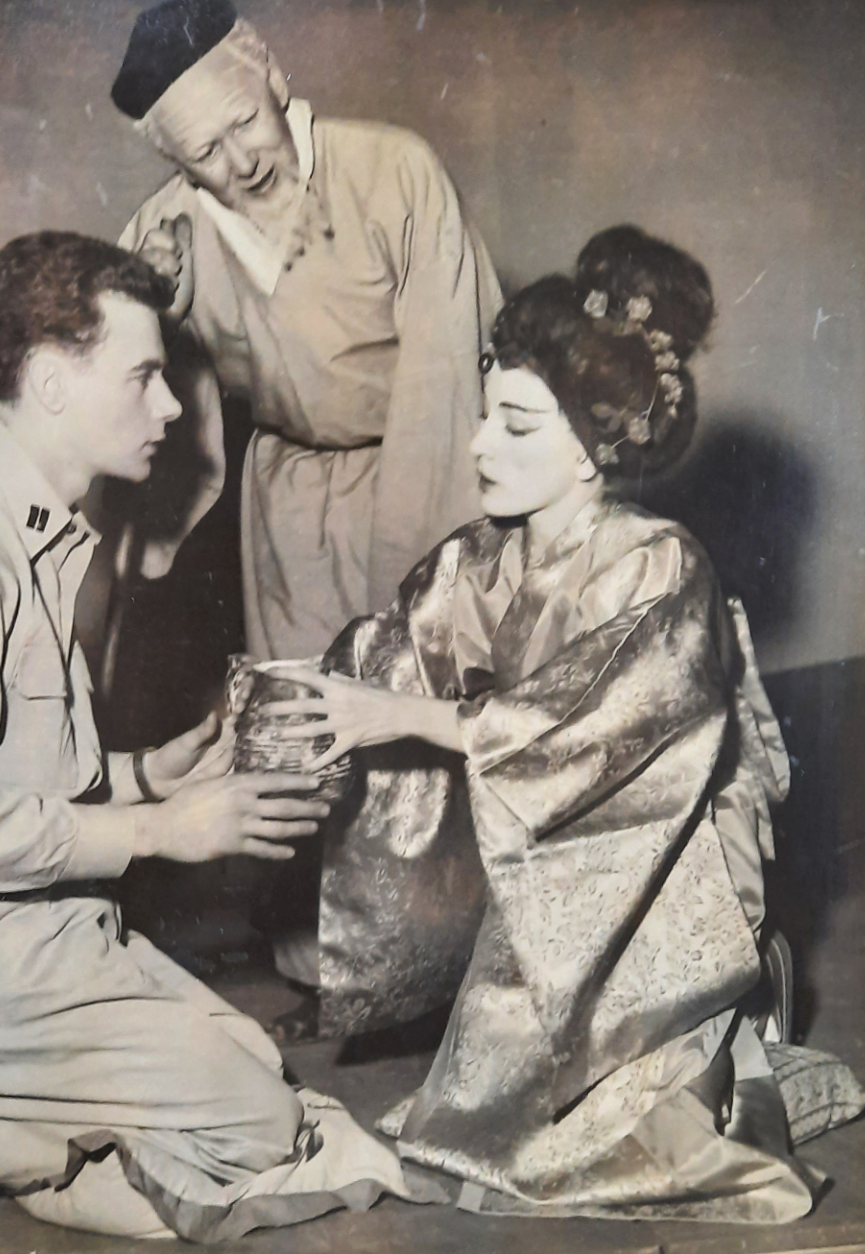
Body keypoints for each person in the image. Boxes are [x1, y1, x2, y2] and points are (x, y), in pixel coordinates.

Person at [264, 226, 858, 1219]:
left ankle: (736, 1017)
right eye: (484, 415)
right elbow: (394, 655)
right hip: (554, 864)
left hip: (662, 865)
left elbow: (587, 730)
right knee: (470, 1128)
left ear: (595, 448)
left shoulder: (659, 564)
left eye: (517, 425)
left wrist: (396, 713)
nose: (478, 444)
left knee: (585, 1150)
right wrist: (310, 709)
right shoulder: (480, 560)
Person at [0, 231, 430, 1242]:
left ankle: (24, 1128)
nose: (171, 408)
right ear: (49, 381)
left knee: (256, 1073)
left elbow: (5, 768)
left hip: (49, 938)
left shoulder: (49, 529)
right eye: (146, 376)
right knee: (256, 1123)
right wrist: (161, 830)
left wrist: (141, 775)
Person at [110, 0, 502, 662]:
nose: (243, 160)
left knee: (418, 686)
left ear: (269, 69)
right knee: (303, 724)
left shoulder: (393, 169)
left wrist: (410, 578)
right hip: (285, 508)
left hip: (421, 469)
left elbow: (446, 378)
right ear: (175, 159)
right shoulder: (165, 230)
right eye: (206, 151)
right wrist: (147, 312)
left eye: (245, 121)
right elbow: (110, 390)